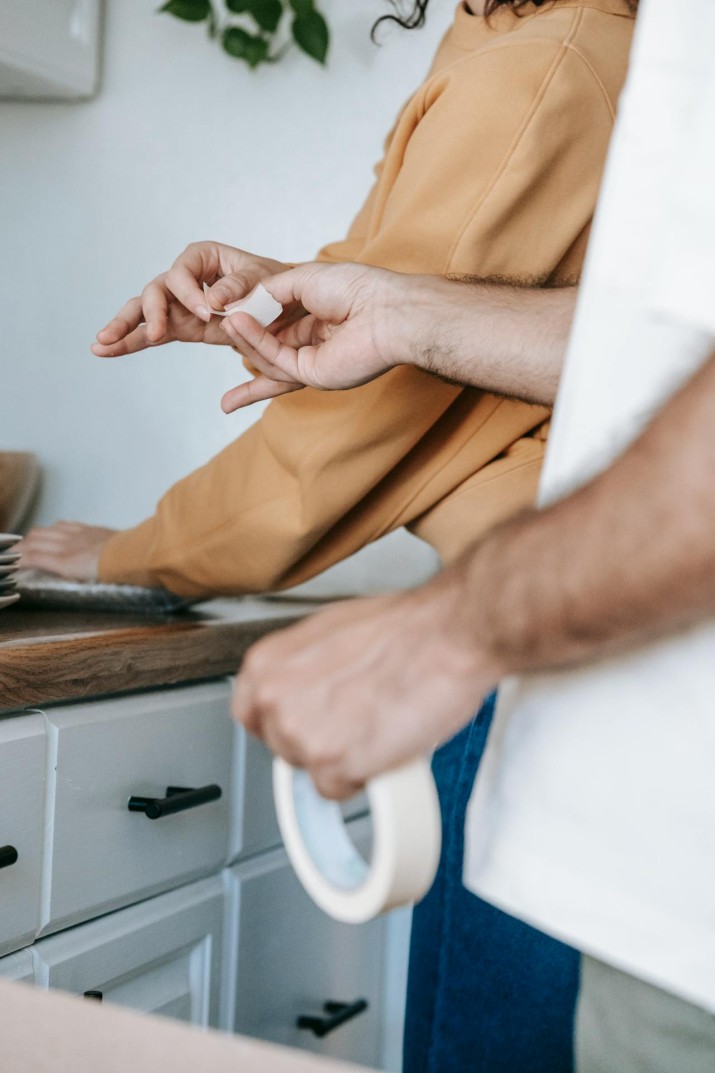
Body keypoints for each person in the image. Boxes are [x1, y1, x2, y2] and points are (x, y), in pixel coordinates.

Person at [21, 3, 638, 1070]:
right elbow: (434, 302)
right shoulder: (523, 41)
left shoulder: (546, 60)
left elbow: (359, 425)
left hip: (554, 646)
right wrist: (278, 296)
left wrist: (135, 553)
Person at [227, 0, 715, 1063]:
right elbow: (667, 348)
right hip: (625, 799)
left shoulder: (559, 56)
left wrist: (452, 627)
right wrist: (401, 312)